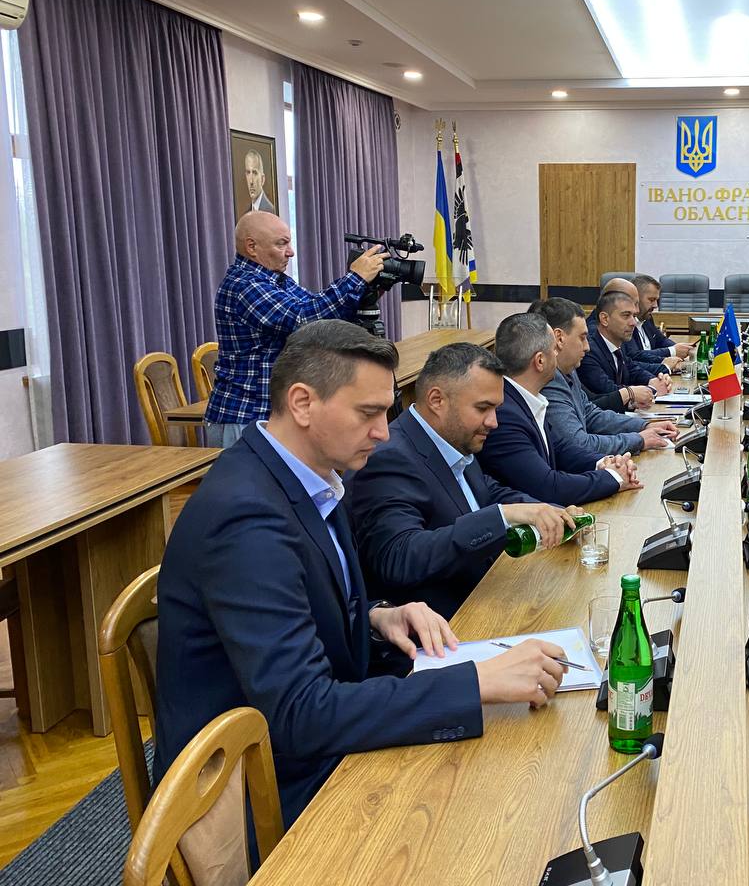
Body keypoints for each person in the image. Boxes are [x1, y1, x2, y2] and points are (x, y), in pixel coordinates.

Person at [154, 321, 569, 829]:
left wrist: (376, 616)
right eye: (368, 413)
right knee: (491, 809)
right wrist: (477, 680)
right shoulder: (246, 519)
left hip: (307, 740)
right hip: (260, 788)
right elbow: (302, 714)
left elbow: (306, 602)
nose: (384, 432)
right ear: (302, 403)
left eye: (385, 413)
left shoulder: (307, 478)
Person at [347, 342, 580, 619]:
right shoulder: (389, 458)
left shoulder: (454, 438)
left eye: (496, 408)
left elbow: (487, 492)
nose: (493, 422)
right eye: (483, 408)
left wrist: (549, 512)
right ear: (437, 400)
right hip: (451, 626)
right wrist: (501, 517)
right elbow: (399, 557)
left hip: (489, 597)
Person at [204, 210, 387, 448]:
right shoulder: (243, 285)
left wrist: (366, 292)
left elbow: (322, 319)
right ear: (252, 247)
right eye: (282, 244)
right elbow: (302, 320)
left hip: (266, 414)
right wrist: (355, 279)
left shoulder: (277, 281)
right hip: (244, 416)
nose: (290, 252)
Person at [478, 313, 641, 505]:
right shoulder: (504, 414)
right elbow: (548, 487)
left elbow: (558, 448)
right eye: (554, 349)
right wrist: (612, 477)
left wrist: (604, 462)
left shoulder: (522, 398)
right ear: (540, 361)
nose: (558, 354)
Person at [531, 297, 679, 454]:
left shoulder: (567, 371)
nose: (587, 347)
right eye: (582, 338)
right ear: (559, 338)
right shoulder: (549, 381)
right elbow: (578, 444)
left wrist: (644, 426)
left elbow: (590, 415)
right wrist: (638, 440)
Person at [578, 290, 674, 400]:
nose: (633, 323)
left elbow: (631, 369)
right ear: (605, 319)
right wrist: (651, 389)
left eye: (634, 316)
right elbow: (608, 390)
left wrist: (653, 380)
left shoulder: (617, 344)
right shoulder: (589, 351)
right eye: (626, 315)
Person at [629, 274, 695, 363]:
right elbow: (635, 356)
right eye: (651, 300)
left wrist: (681, 349)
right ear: (636, 299)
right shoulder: (626, 324)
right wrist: (672, 351)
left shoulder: (647, 318)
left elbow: (661, 340)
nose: (656, 305)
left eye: (657, 300)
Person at [244, 149, 276, 215]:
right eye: (248, 173)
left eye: (255, 173)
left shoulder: (271, 212)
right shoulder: (246, 214)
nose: (251, 181)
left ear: (262, 179)